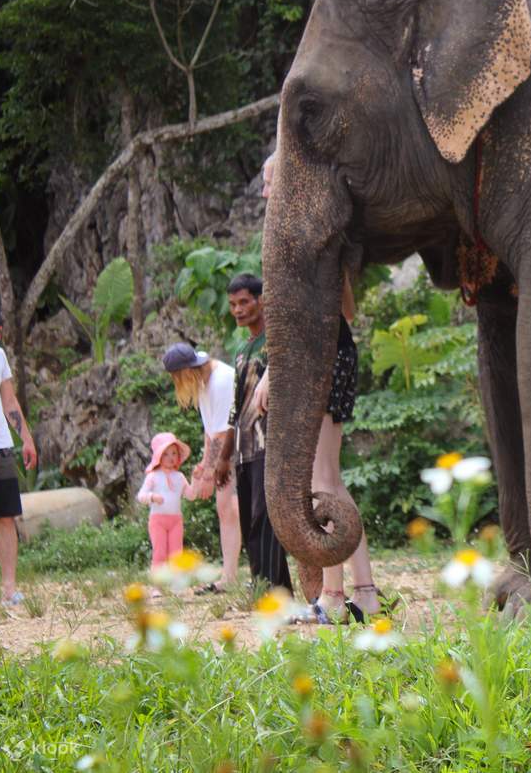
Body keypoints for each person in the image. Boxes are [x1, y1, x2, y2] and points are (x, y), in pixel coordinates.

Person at [255, 151, 382, 622]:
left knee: (320, 477)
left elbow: (314, 315)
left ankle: (333, 598)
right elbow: (340, 310)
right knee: (329, 474)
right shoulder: (319, 230)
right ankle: (363, 591)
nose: (267, 191)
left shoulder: (302, 234)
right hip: (332, 352)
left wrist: (274, 370)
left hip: (320, 357)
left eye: (271, 181)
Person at [213, 273, 293, 593]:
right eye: (233, 304)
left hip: (269, 442)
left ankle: (277, 590)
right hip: (244, 448)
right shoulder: (242, 349)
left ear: (261, 300)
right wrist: (223, 457)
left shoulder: (275, 342)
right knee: (248, 521)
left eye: (244, 302)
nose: (238, 310)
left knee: (265, 518)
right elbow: (235, 408)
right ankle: (262, 586)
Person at [161, 342, 240, 593]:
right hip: (227, 450)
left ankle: (241, 575)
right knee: (225, 509)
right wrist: (205, 464)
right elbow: (211, 433)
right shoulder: (205, 383)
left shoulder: (220, 381)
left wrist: (209, 474)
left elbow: (223, 432)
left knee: (233, 508)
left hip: (242, 448)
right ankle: (229, 577)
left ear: (186, 372)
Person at [0, 303, 37, 607]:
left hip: (0, 448)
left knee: (6, 517)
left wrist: (26, 439)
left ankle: (9, 589)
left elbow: (9, 402)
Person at [137, 432, 191, 590]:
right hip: (158, 520)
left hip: (176, 520)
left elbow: (190, 494)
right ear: (158, 456)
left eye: (174, 453)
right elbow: (141, 496)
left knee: (176, 552)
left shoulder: (179, 476)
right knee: (160, 552)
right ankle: (157, 586)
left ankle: (177, 585)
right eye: (166, 454)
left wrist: (197, 480)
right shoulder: (153, 476)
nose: (170, 457)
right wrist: (152, 497)